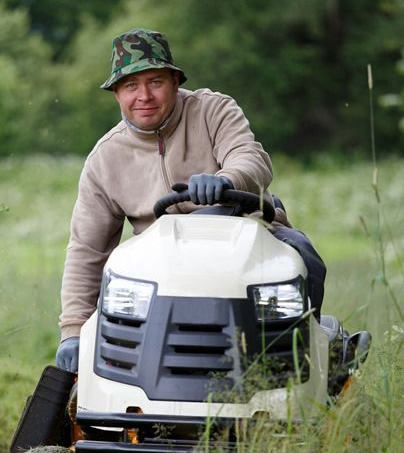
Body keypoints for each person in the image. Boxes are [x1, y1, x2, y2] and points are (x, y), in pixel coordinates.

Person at [56, 28, 326, 372]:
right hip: (162, 262)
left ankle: (310, 362)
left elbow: (250, 158)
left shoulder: (214, 109)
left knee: (302, 258)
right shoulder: (104, 159)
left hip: (250, 239)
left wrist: (225, 180)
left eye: (155, 82)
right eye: (131, 86)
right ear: (117, 95)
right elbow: (86, 249)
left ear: (174, 81)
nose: (144, 96)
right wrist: (73, 331)